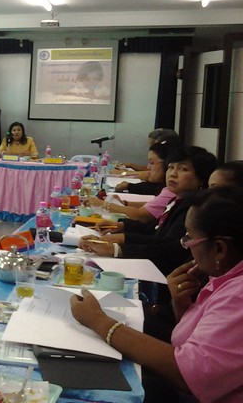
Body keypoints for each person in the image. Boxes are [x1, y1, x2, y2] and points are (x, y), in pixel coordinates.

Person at [71, 186, 243, 403]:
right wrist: (181, 306)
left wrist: (99, 321)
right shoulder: (223, 277)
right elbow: (196, 344)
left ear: (219, 249)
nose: (186, 246)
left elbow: (189, 374)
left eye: (189, 238)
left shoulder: (237, 296)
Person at [80, 146, 217, 277]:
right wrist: (121, 227)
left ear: (201, 179)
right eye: (171, 167)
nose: (173, 174)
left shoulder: (195, 210)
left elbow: (168, 250)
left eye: (183, 169)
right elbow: (156, 230)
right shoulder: (178, 199)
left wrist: (116, 249)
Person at [114, 128, 179, 174]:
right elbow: (148, 169)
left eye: (153, 144)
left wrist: (123, 173)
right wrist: (131, 165)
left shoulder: (169, 159)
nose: (150, 148)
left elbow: (149, 174)